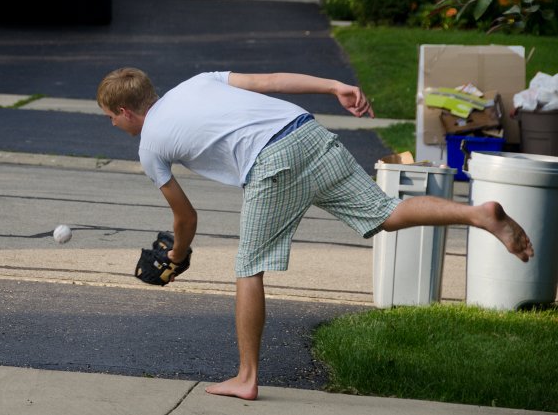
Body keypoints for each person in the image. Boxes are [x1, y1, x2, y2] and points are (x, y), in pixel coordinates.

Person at [96, 68, 534, 401]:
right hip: (307, 132)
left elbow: (186, 218)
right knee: (383, 213)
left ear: (125, 111)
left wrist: (176, 256)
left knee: (249, 267)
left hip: (272, 161)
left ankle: (246, 377)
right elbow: (270, 81)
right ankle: (477, 213)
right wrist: (333, 87)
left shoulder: (149, 144)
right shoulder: (197, 82)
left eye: (111, 119)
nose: (113, 126)